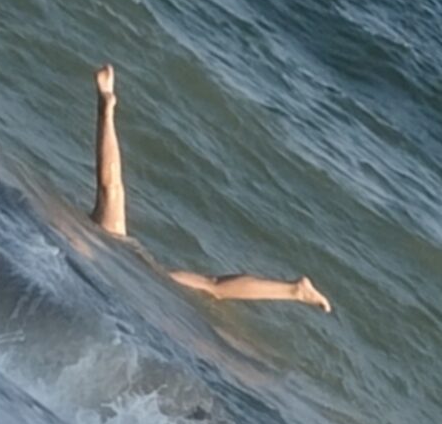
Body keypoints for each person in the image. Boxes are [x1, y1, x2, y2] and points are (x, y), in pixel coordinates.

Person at [92, 64, 332, 312]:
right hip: (133, 260)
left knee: (213, 286)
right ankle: (294, 290)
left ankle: (295, 290)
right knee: (111, 190)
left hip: (124, 257)